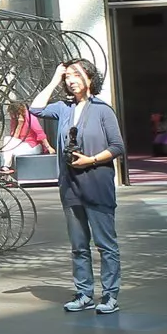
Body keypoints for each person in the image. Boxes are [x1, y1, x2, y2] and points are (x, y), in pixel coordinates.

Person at [29, 59, 126, 314]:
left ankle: (110, 295)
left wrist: (91, 160)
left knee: (106, 244)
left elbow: (117, 146)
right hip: (70, 185)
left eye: (76, 75)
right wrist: (54, 78)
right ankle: (84, 294)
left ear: (90, 79)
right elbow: (35, 108)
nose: (71, 80)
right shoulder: (63, 108)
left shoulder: (103, 110)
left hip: (96, 183)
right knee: (78, 245)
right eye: (68, 76)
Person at [0, 102, 51, 174]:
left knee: (8, 149)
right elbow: (14, 139)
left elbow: (40, 132)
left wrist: (48, 147)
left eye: (12, 113)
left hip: (33, 146)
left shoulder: (30, 116)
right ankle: (5, 168)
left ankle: (5, 167)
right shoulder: (14, 120)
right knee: (7, 140)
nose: (11, 116)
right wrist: (19, 125)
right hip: (21, 146)